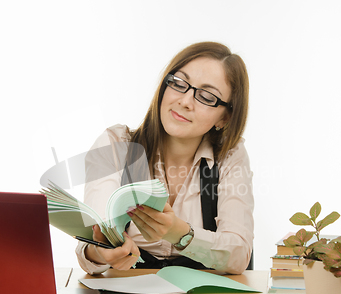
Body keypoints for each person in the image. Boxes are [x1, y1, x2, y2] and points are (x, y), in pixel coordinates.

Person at [76, 41, 254, 275]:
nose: (185, 101)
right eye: (179, 83)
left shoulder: (229, 157)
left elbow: (239, 255)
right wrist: (100, 252)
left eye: (207, 97)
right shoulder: (116, 145)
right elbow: (91, 242)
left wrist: (181, 234)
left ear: (224, 118)